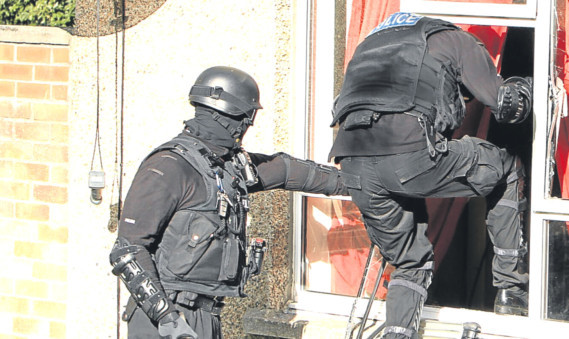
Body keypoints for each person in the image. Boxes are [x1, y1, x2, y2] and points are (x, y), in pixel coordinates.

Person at [109, 66, 355, 339]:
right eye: (244, 120)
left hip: (206, 315)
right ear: (231, 116)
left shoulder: (226, 166)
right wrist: (167, 317)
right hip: (165, 318)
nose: (245, 129)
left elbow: (285, 170)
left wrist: (359, 184)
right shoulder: (169, 167)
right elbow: (127, 249)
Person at [329, 12, 532, 339]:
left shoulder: (371, 45)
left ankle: (397, 334)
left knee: (410, 263)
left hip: (355, 165)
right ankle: (512, 291)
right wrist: (524, 89)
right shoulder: (456, 39)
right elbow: (505, 105)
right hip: (411, 155)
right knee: (507, 167)